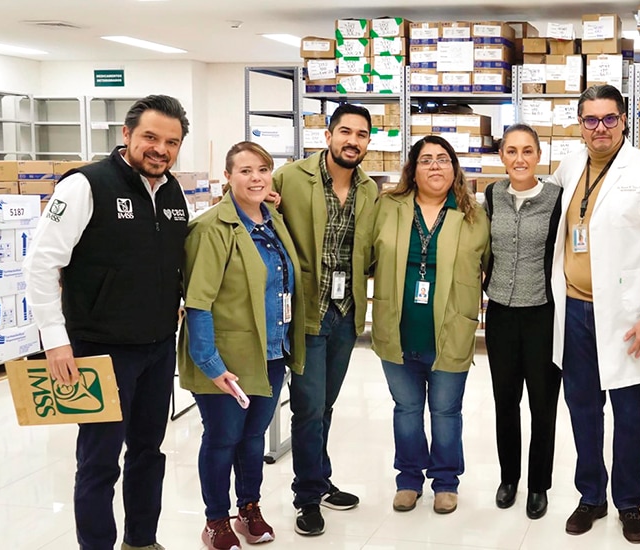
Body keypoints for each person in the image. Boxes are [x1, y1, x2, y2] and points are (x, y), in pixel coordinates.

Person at [22, 95, 190, 550]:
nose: (160, 149)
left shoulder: (173, 192)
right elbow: (40, 265)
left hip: (157, 347)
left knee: (148, 453)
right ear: (127, 135)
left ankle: (142, 540)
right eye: (151, 137)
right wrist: (56, 342)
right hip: (100, 349)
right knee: (99, 461)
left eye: (171, 142)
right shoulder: (84, 186)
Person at [549, 84, 640, 543]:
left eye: (609, 118)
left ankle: (629, 502)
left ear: (624, 120)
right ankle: (591, 496)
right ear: (579, 123)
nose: (599, 128)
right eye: (590, 119)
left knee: (629, 413)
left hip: (628, 316)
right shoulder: (569, 167)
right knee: (582, 409)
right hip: (575, 310)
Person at [177, 141, 305, 549]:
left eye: (263, 170)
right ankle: (216, 520)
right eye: (245, 171)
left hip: (271, 351)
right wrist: (211, 365)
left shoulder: (274, 223)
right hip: (226, 359)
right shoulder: (211, 228)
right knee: (222, 439)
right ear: (228, 176)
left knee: (253, 440)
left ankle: (248, 507)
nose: (255, 178)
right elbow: (198, 304)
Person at [272, 103, 378, 536]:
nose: (353, 141)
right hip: (306, 314)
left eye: (362, 135)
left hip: (346, 313)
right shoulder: (290, 178)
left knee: (325, 405)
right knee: (308, 408)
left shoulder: (370, 190)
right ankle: (307, 496)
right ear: (328, 134)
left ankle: (320, 476)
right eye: (346, 132)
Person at [370, 135, 490, 515]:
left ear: (454, 168)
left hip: (450, 329)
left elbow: (491, 266)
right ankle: (408, 479)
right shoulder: (389, 207)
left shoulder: (473, 215)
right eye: (426, 160)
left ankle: (445, 482)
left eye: (442, 159)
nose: (435, 166)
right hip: (398, 327)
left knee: (445, 410)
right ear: (413, 168)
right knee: (405, 409)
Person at [483, 124, 563, 520]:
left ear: (538, 156)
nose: (519, 159)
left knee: (543, 404)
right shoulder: (492, 195)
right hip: (499, 313)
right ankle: (509, 478)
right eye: (511, 151)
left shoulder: (556, 198)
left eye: (527, 151)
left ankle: (539, 485)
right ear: (501, 155)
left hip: (542, 314)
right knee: (505, 402)